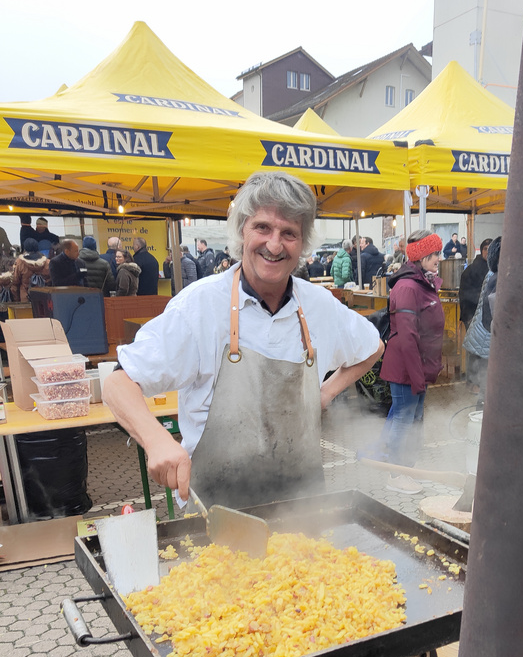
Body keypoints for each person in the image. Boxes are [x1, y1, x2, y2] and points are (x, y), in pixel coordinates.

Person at [104, 170, 383, 508]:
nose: (275, 245)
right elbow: (118, 383)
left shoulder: (320, 305)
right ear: (241, 231)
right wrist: (156, 439)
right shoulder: (199, 306)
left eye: (289, 233)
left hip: (304, 508)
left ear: (303, 243)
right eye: (262, 227)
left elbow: (372, 347)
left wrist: (322, 395)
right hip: (216, 510)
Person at [370, 229, 446, 494]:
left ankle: (396, 466)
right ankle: (395, 474)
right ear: (421, 256)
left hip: (416, 367)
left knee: (404, 417)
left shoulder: (422, 283)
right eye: (435, 253)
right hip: (407, 368)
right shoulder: (407, 287)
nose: (439, 258)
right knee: (405, 420)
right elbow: (406, 336)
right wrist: (417, 377)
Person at [462, 239, 500, 405]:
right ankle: (474, 384)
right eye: (484, 248)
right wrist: (468, 316)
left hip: (481, 326)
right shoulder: (494, 276)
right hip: (482, 327)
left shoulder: (491, 272)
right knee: (482, 368)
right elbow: (466, 294)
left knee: (481, 364)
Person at [459, 238, 492, 329]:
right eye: (485, 249)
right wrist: (468, 318)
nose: (488, 252)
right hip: (472, 315)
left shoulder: (496, 270)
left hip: (490, 317)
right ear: (481, 251)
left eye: (490, 249)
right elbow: (465, 294)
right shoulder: (471, 270)